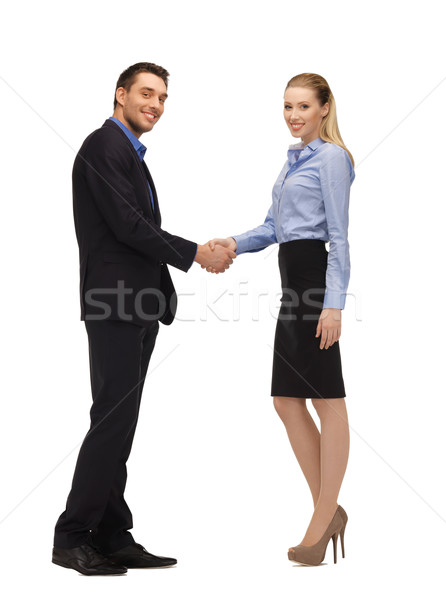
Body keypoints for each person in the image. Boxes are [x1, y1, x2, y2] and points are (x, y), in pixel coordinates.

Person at [52, 62, 236, 576]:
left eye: (162, 98)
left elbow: (134, 227)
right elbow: (129, 226)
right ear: (120, 94)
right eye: (146, 93)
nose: (155, 104)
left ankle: (111, 533)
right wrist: (196, 252)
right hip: (114, 302)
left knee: (121, 424)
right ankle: (71, 536)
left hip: (137, 304)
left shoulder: (130, 153)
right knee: (110, 420)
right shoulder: (104, 146)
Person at [208, 73, 355, 566]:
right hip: (292, 285)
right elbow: (275, 227)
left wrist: (333, 303)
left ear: (323, 108)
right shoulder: (294, 160)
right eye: (287, 106)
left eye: (303, 107)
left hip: (314, 285)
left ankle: (321, 518)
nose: (293, 115)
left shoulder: (332, 159)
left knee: (326, 401)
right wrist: (234, 241)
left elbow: (338, 236)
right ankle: (328, 510)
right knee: (286, 400)